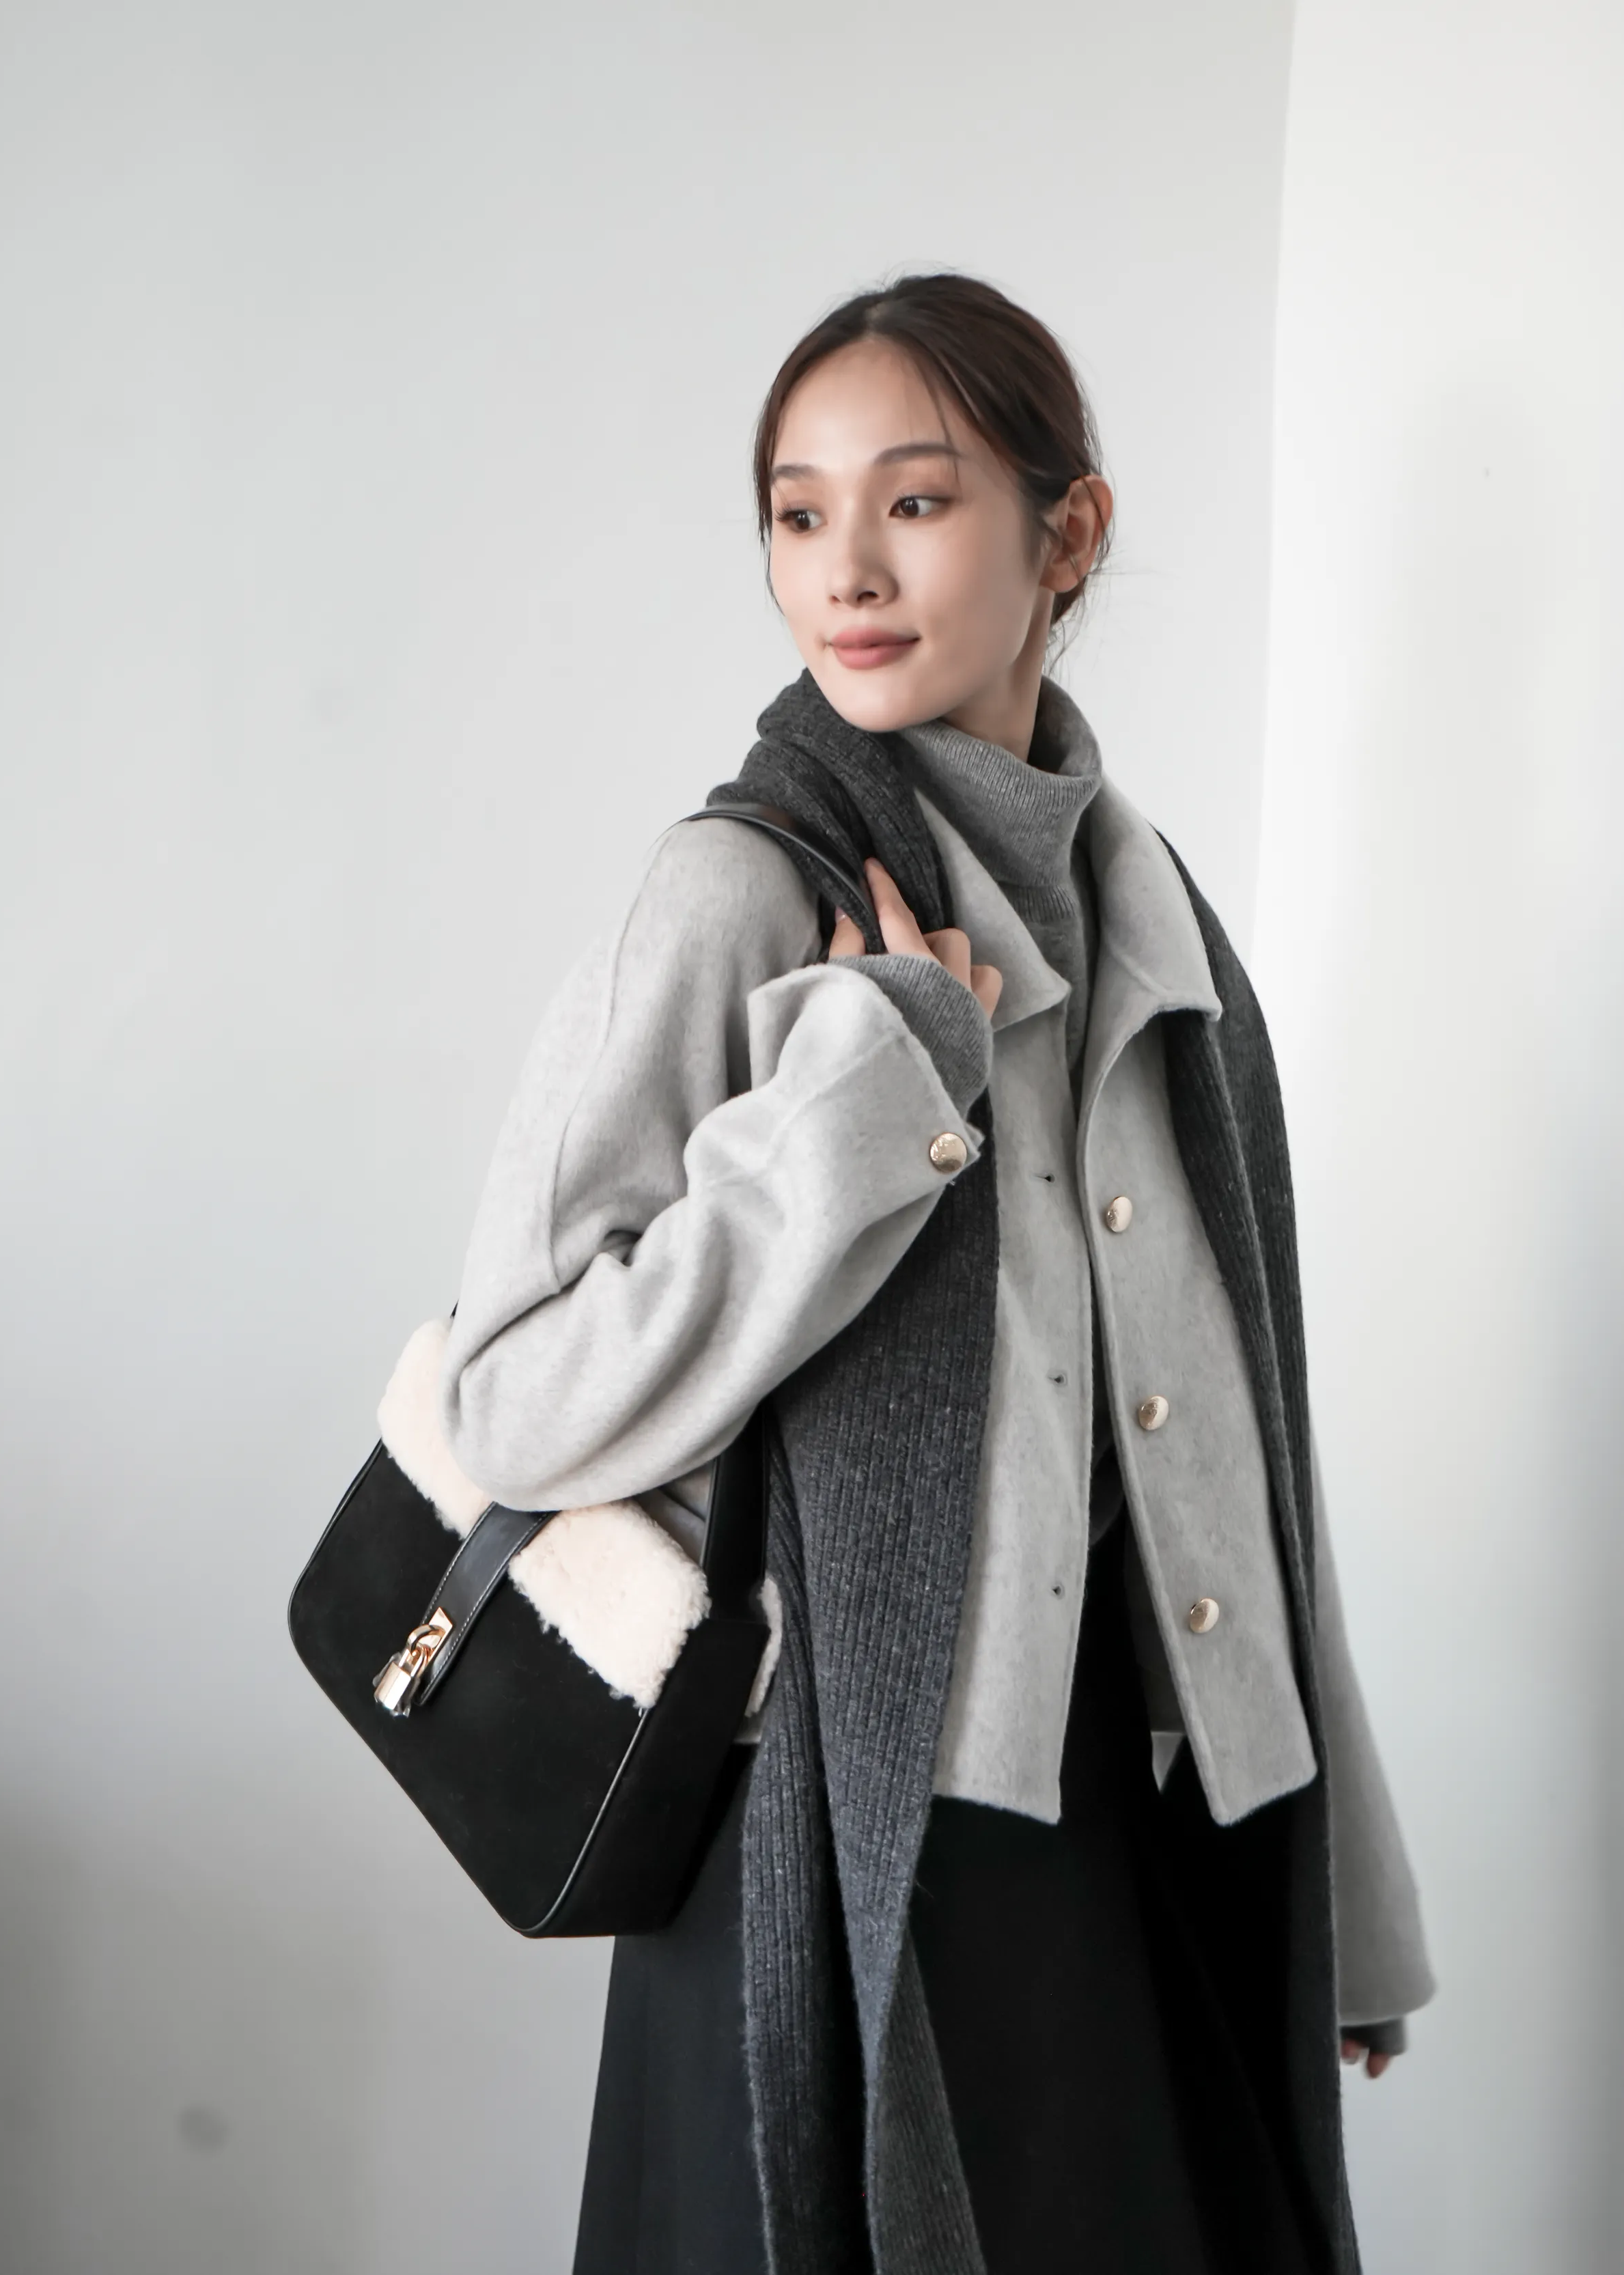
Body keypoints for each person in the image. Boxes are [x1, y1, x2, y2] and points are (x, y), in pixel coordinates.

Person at [438, 273, 1435, 2275]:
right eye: (797, 513)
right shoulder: (737, 889)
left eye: (914, 501)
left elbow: (1243, 1449)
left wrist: (1346, 1894)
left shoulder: (1157, 920)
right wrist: (865, 1099)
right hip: (833, 1839)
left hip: (1139, 1835)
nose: (847, 571)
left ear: (1069, 534)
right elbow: (514, 1402)